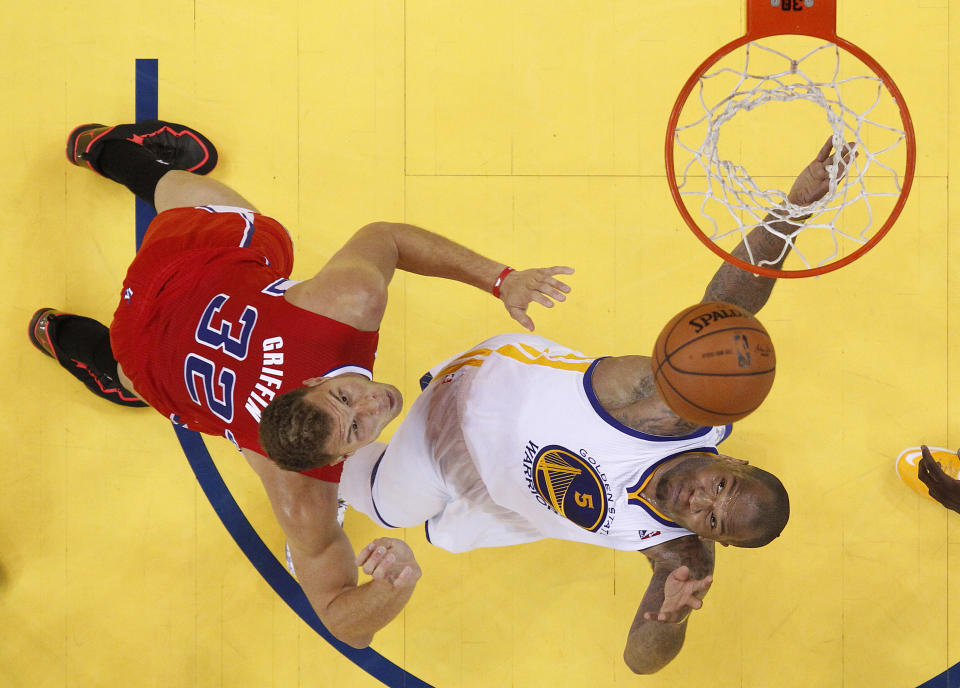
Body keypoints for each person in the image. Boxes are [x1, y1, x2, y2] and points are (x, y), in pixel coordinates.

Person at [299, 137, 852, 674]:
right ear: (737, 462)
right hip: (466, 415)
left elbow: (641, 660)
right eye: (722, 486)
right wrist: (793, 209)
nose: (700, 499)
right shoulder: (682, 409)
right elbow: (728, 309)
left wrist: (671, 618)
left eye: (712, 519)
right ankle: (320, 435)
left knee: (446, 534)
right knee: (389, 505)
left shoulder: (682, 556)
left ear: (712, 538)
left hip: (511, 501)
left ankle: (392, 483)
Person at [28, 119, 574, 648]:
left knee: (203, 218)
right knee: (148, 331)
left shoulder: (343, 310)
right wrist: (393, 587)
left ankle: (105, 158)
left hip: (171, 300)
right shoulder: (300, 491)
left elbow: (388, 238)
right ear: (333, 461)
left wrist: (502, 280)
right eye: (357, 424)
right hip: (157, 344)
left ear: (312, 380)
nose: (372, 402)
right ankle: (92, 171)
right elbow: (346, 624)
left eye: (343, 397)